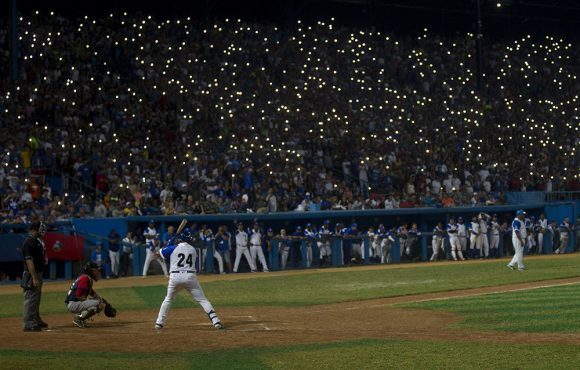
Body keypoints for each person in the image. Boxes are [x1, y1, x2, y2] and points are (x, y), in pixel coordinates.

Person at [154, 228, 223, 330]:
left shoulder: (173, 247)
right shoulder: (193, 249)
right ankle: (216, 321)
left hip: (175, 278)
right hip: (190, 277)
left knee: (168, 299)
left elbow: (158, 254)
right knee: (202, 300)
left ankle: (159, 322)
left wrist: (170, 242)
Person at [21, 221, 48, 331]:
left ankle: (36, 319)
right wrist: (34, 277)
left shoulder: (36, 241)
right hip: (31, 274)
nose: (42, 230)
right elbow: (29, 262)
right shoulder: (29, 243)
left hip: (37, 273)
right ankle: (28, 323)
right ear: (34, 229)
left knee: (36, 298)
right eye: (39, 228)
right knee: (31, 298)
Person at [65, 261, 107, 328]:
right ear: (91, 271)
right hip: (73, 304)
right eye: (96, 270)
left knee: (99, 302)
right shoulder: (85, 278)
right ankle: (79, 318)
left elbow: (92, 292)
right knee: (99, 303)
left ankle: (81, 317)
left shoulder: (86, 278)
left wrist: (103, 301)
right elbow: (79, 296)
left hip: (74, 303)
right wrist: (97, 301)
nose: (98, 272)